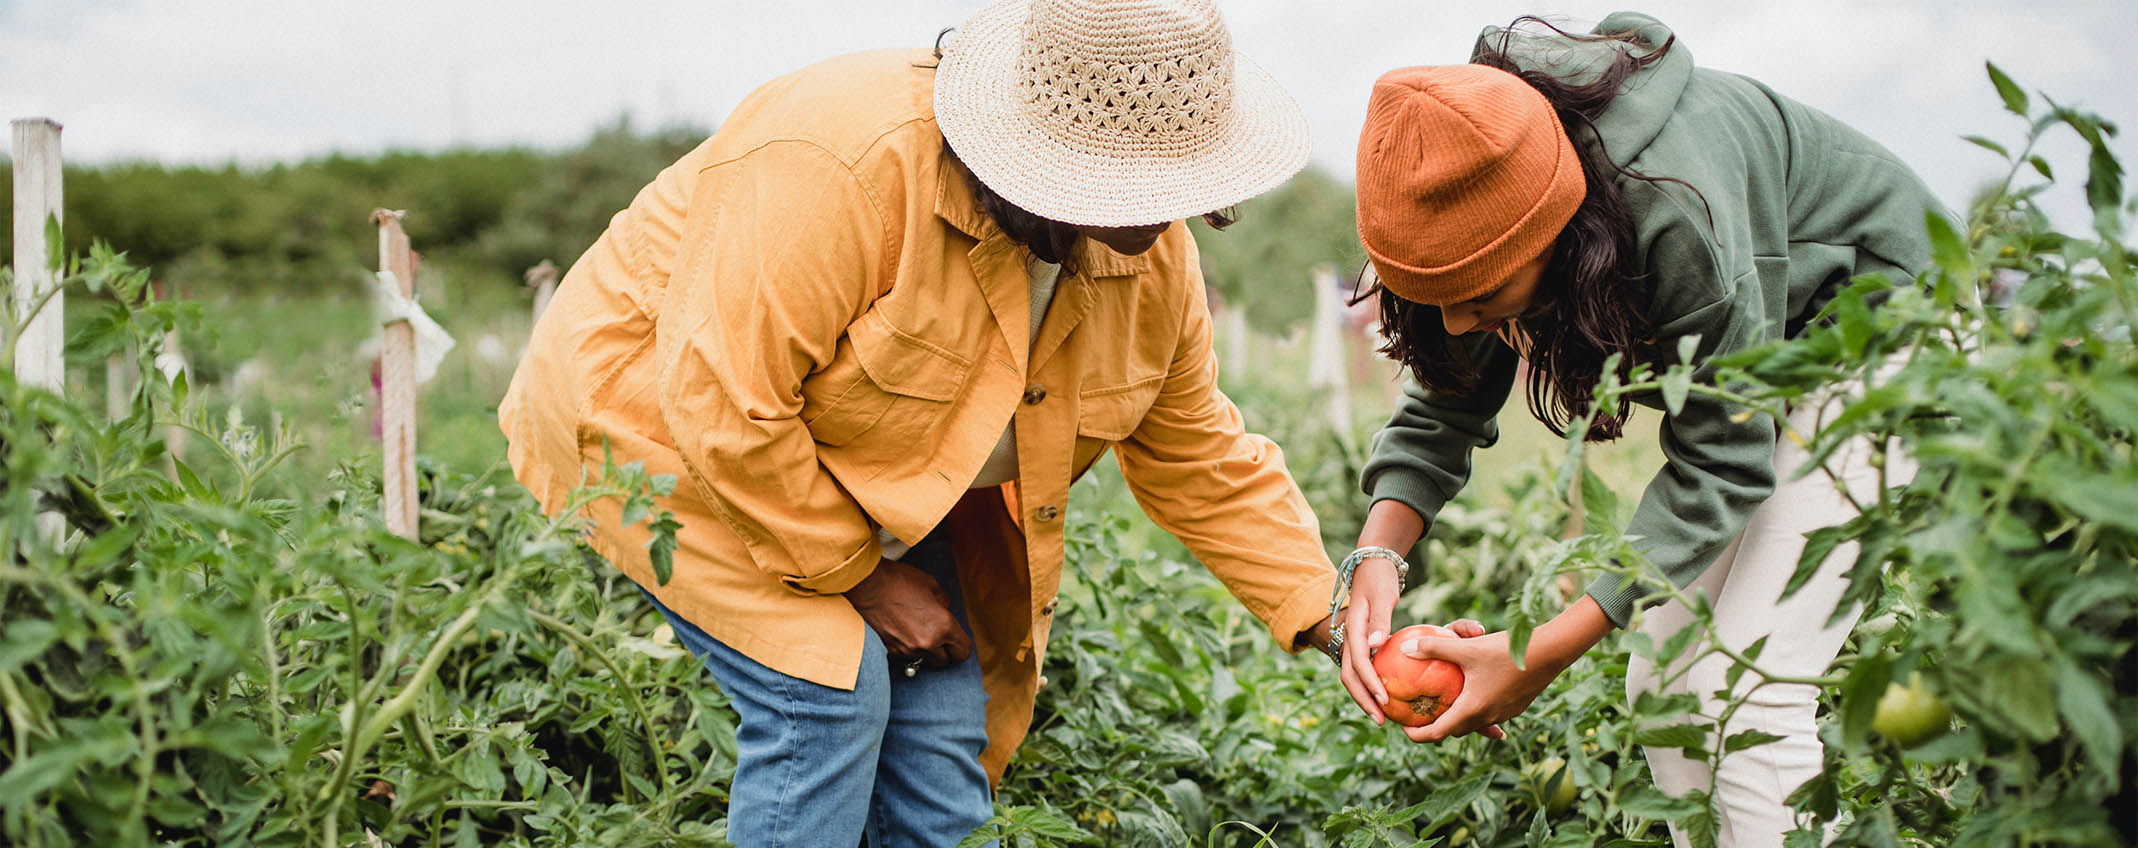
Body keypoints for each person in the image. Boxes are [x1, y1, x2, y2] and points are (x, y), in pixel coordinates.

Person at [498, 0, 1402, 844]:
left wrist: (1335, 620)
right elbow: (725, 405)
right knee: (828, 692)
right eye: (1136, 184)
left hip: (866, 468)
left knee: (940, 731)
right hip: (659, 429)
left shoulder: (1150, 259)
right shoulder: (844, 168)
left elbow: (1199, 455)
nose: (1163, 217)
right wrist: (864, 579)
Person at [1343, 13, 1940, 847]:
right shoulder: (1467, 178)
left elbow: (1722, 460)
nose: (1453, 317)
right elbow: (1448, 398)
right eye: (1432, 291)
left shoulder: (1672, 213)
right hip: (1774, 361)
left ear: (1554, 230)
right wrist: (1376, 560)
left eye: (1481, 294)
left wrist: (1539, 652)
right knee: (1663, 681)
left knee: (1752, 690)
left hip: (1889, 331)